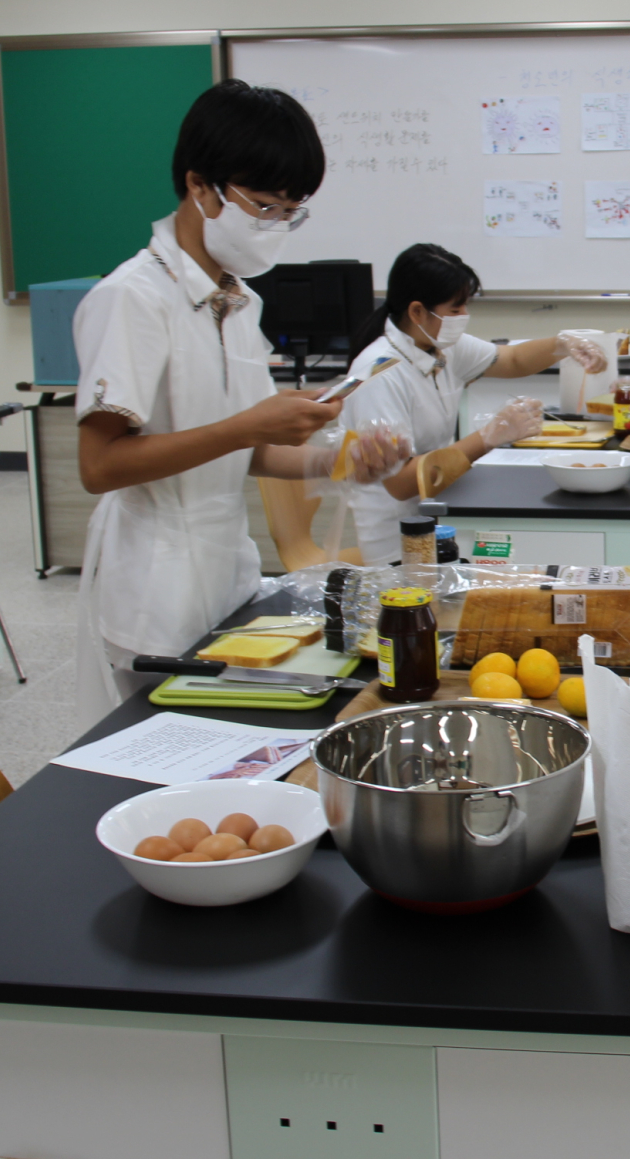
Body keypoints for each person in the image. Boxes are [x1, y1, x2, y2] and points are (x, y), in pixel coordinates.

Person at [71, 80, 405, 722]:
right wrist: (247, 426)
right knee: (175, 751)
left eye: (292, 211)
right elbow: (101, 466)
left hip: (228, 574)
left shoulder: (236, 300)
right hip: (155, 585)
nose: (277, 226)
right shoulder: (135, 298)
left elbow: (250, 451)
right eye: (265, 207)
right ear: (201, 186)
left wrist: (339, 457)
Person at [337, 243, 609, 564]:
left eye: (465, 306)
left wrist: (563, 343)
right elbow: (400, 483)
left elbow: (511, 359)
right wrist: (488, 436)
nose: (464, 317)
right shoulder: (379, 375)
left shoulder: (439, 346)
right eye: (455, 309)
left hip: (441, 514)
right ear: (416, 312)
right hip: (398, 542)